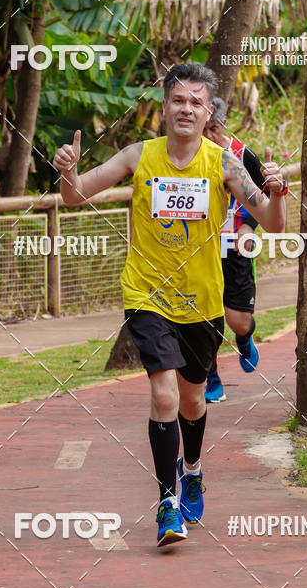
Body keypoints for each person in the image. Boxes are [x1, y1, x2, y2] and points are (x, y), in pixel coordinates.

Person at [53, 63, 286, 548]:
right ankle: (167, 503)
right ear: (164, 106)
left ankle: (193, 470)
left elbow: (274, 221)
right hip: (147, 296)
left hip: (202, 301)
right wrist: (69, 172)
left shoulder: (225, 164)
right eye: (178, 100)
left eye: (196, 102)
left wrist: (279, 194)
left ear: (208, 113)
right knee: (163, 396)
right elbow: (75, 197)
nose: (186, 109)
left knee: (192, 400)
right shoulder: (139, 156)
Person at [202, 97, 288, 403]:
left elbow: (265, 191)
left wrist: (247, 225)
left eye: (213, 129)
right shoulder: (190, 153)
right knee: (205, 317)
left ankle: (244, 337)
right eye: (204, 128)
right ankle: (211, 378)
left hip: (236, 246)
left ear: (223, 124)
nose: (208, 135)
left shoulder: (240, 153)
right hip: (200, 249)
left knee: (236, 319)